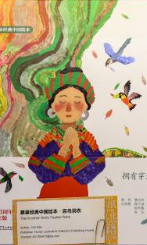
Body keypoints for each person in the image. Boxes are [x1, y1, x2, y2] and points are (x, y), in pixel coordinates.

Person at [28, 66, 105, 198]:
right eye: (62, 101)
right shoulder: (49, 140)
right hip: (49, 198)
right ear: (52, 106)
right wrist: (63, 150)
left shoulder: (88, 140)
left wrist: (76, 149)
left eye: (77, 102)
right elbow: (41, 173)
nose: (69, 108)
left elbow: (89, 174)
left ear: (86, 106)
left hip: (80, 199)